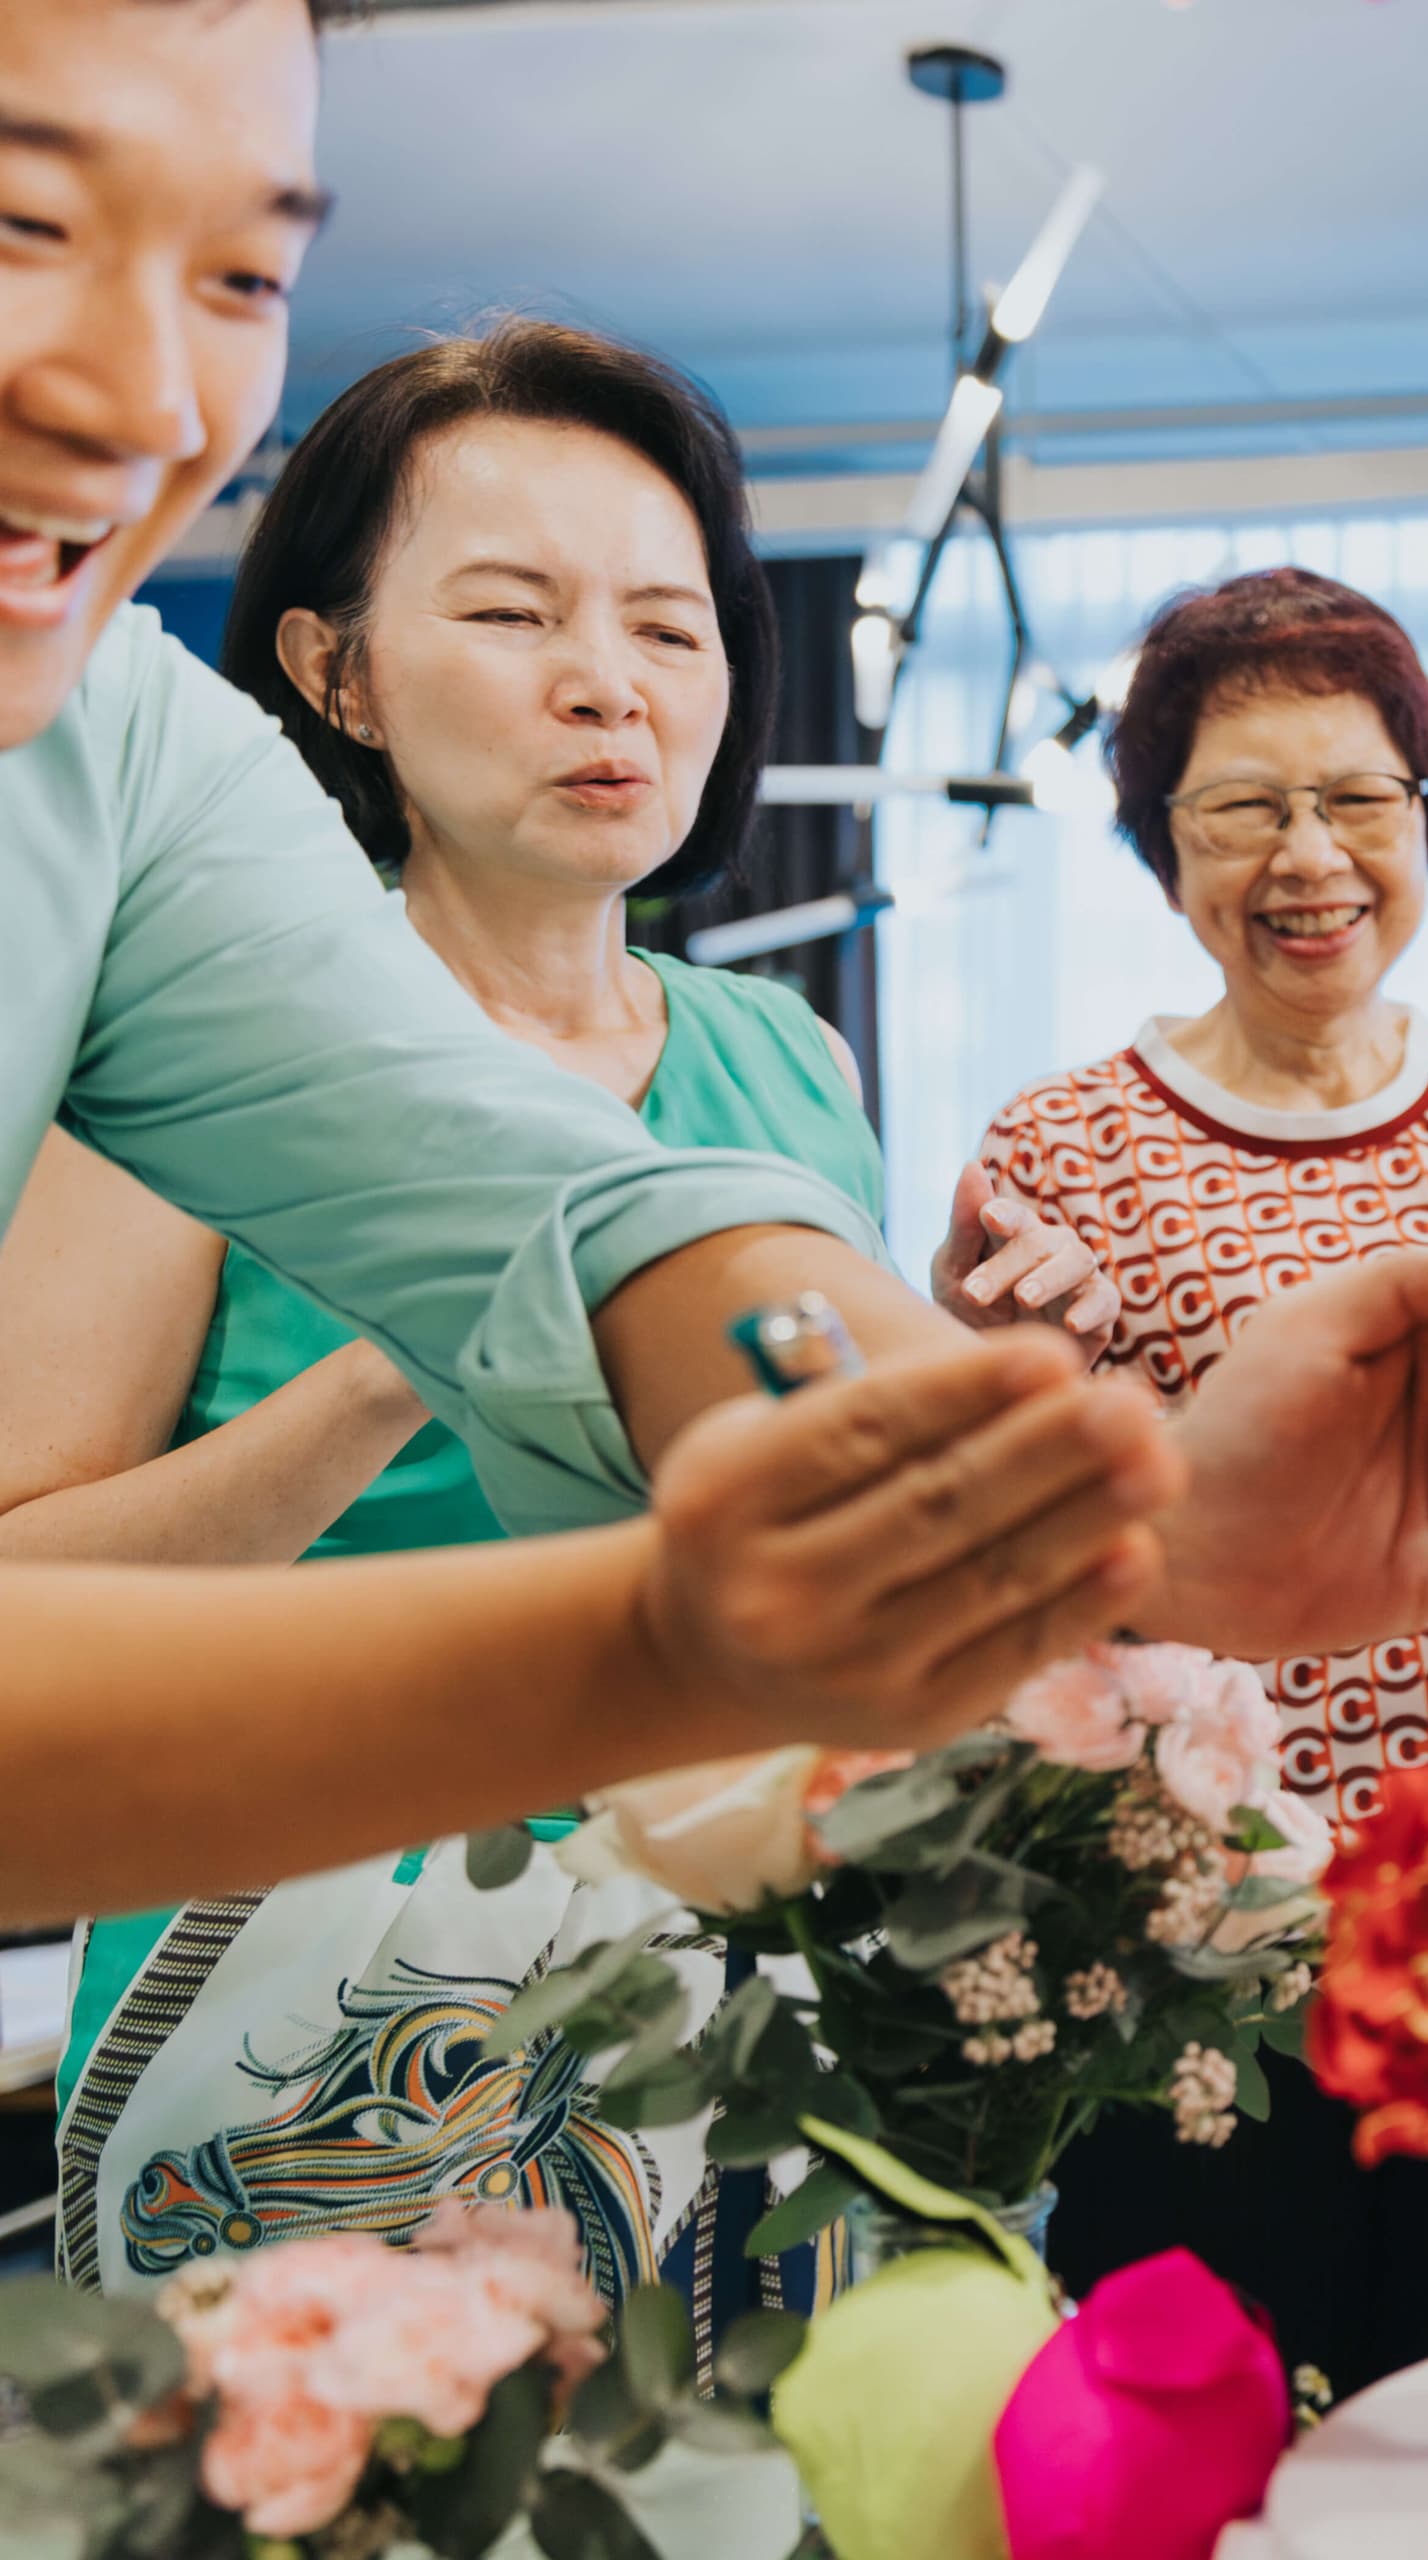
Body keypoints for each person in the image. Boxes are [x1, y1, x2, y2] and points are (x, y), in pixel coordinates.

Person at [0, 0, 1428, 1910]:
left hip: (730, 2001)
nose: (144, 397)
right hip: (292, 2022)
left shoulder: (133, 757)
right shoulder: (124, 932)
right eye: (23, 224)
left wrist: (1110, 1525)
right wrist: (537, 1483)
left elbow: (583, 1222)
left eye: (244, 273)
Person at [1, 317, 1110, 2299]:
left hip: (745, 1982)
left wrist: (950, 1374)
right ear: (328, 667)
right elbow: (27, 1573)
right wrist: (411, 1337)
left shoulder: (785, 1055)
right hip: (304, 2011)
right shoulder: (170, 1069)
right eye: (513, 613)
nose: (610, 683)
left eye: (674, 630)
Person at [978, 566, 1428, 2394]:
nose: (1307, 857)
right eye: (1243, 809)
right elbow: (1034, 1567)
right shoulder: (1058, 1150)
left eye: (1357, 801)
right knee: (1207, 2428)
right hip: (1195, 1952)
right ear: (1165, 848)